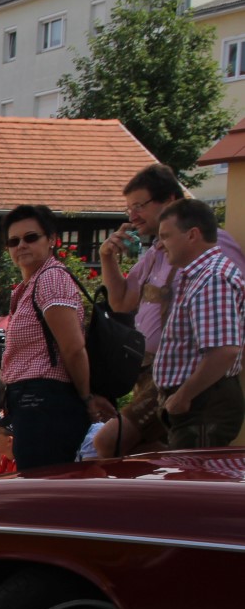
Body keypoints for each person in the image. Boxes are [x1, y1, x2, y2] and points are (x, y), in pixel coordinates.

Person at [95, 164, 245, 457]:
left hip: (194, 384)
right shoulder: (159, 251)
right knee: (157, 457)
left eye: (139, 206)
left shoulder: (212, 256)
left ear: (171, 201)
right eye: (128, 208)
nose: (132, 216)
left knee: (111, 442)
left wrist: (184, 394)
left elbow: (226, 342)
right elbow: (121, 303)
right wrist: (107, 258)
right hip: (160, 377)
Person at [0, 204, 117, 470]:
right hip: (31, 399)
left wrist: (87, 398)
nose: (21, 246)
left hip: (47, 401)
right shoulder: (28, 285)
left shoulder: (51, 278)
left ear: (51, 239)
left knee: (41, 484)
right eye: (13, 241)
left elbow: (73, 348)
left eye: (31, 237)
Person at [148, 199, 245, 448]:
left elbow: (224, 350)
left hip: (203, 403)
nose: (160, 245)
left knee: (192, 479)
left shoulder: (212, 278)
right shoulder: (200, 275)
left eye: (166, 236)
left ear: (192, 235)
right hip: (198, 402)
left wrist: (183, 396)